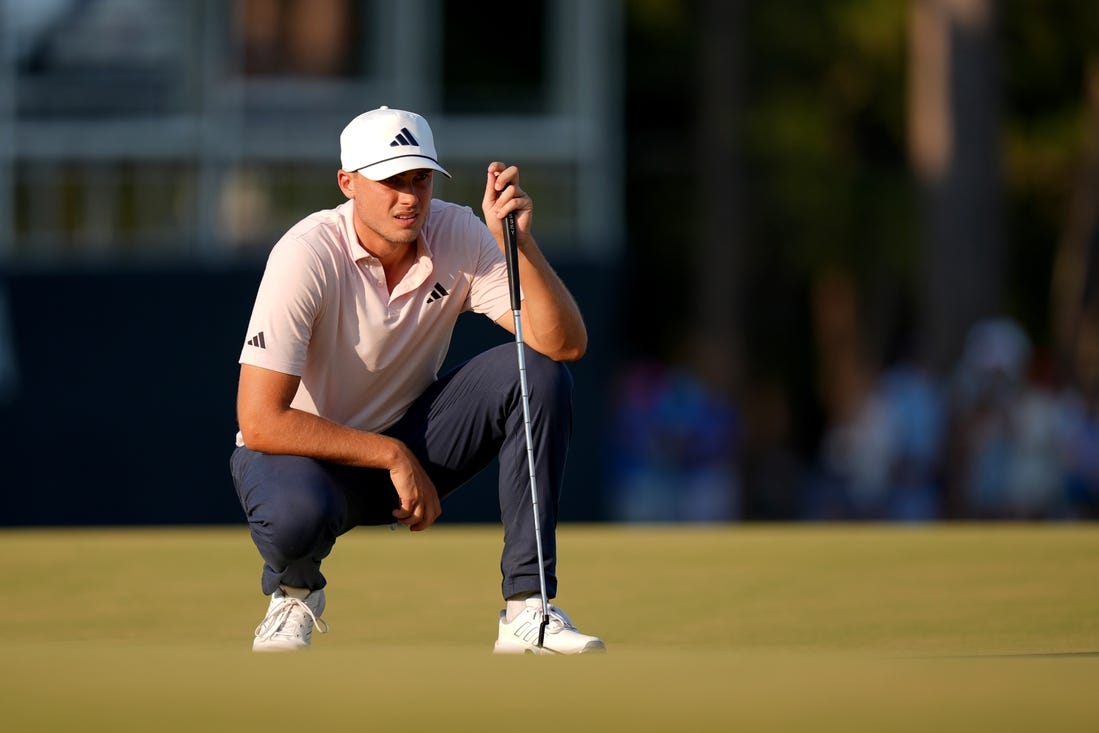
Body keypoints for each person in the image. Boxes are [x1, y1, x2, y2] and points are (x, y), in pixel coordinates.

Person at [230, 106, 605, 655]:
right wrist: (390, 454)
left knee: (540, 375)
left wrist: (519, 245)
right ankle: (294, 595)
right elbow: (261, 420)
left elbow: (563, 345)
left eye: (420, 179)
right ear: (348, 183)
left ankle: (529, 609)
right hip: (301, 460)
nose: (409, 197)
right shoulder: (305, 253)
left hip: (410, 443)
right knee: (293, 518)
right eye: (391, 181)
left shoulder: (459, 232)